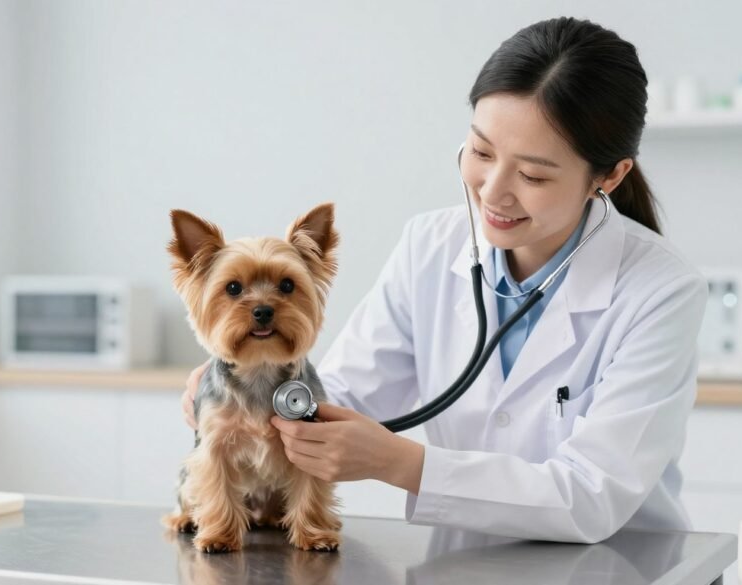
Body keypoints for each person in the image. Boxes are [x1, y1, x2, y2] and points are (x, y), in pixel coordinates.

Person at [181, 16, 707, 544]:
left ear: (609, 176)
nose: (493, 193)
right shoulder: (430, 245)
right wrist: (246, 387)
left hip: (615, 569)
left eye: (533, 175)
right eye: (480, 152)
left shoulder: (660, 290)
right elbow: (339, 395)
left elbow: (593, 495)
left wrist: (406, 465)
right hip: (462, 565)